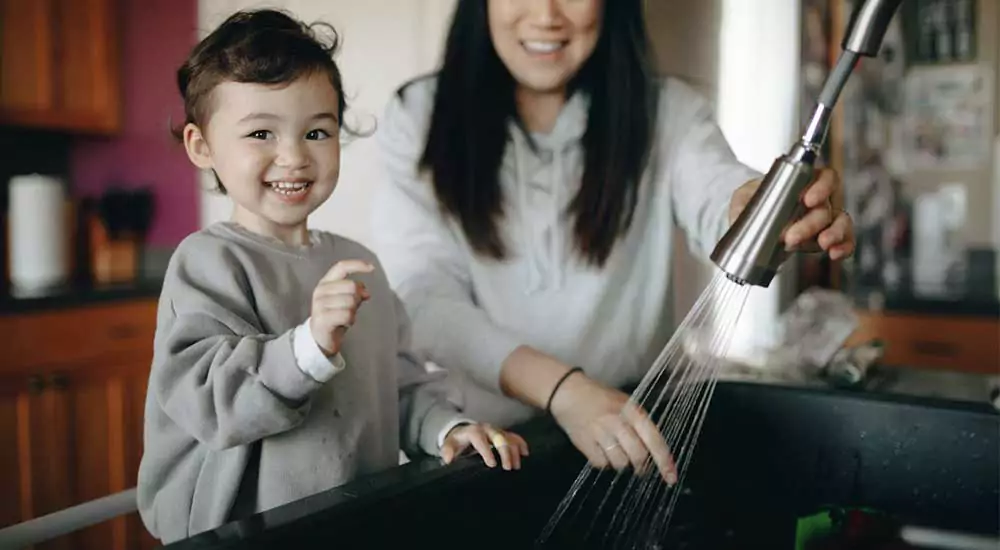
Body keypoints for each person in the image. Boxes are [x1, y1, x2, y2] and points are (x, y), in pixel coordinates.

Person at [371, 0, 855, 484]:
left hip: (631, 441)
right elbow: (423, 299)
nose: (546, 15)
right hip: (487, 453)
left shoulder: (667, 113)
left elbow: (718, 193)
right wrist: (564, 391)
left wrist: (769, 212)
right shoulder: (418, 118)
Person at [136, 9, 528, 544]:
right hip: (242, 535)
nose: (294, 156)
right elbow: (211, 406)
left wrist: (446, 428)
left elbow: (400, 382)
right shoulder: (206, 263)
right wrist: (308, 347)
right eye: (260, 133)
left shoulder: (357, 260)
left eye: (316, 131)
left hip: (353, 522)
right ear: (202, 147)